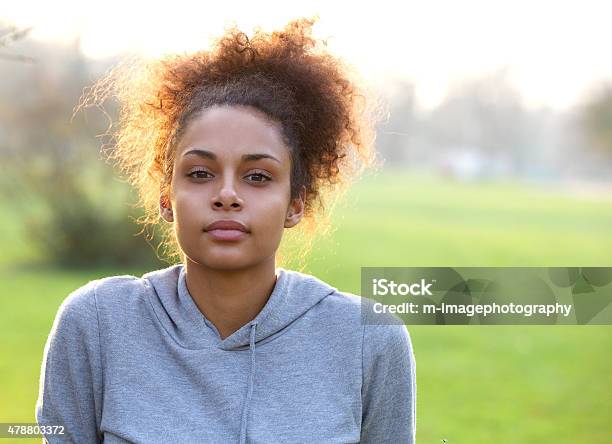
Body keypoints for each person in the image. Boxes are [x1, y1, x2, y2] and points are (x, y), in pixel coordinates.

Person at [35, 17, 416, 443]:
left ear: (295, 204)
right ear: (166, 198)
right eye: (200, 173)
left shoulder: (367, 338)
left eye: (257, 177)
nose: (227, 195)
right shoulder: (98, 323)